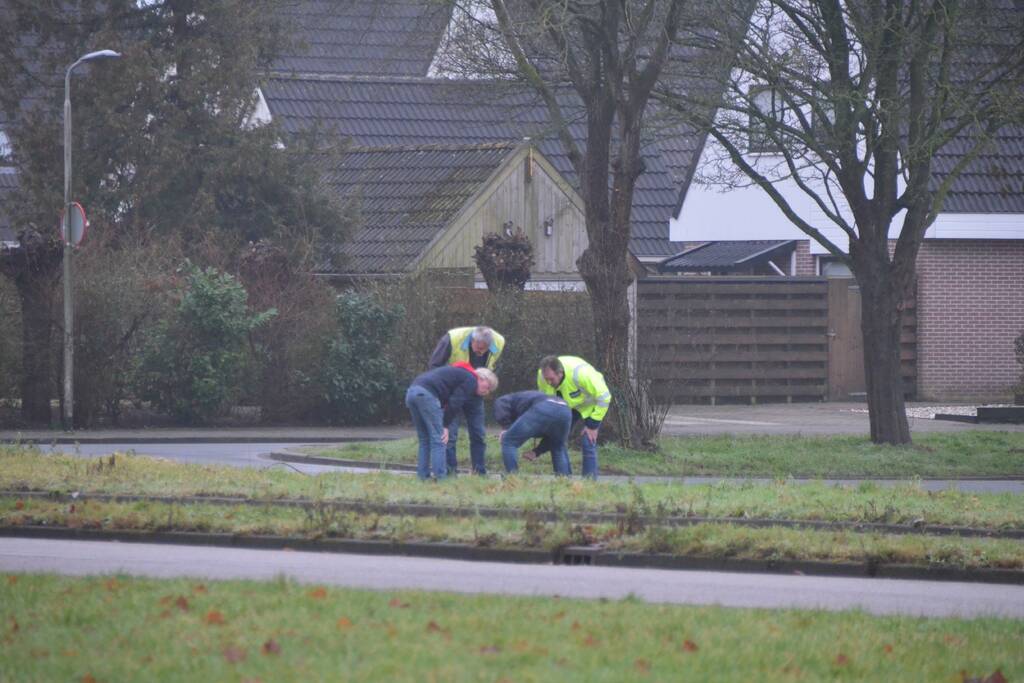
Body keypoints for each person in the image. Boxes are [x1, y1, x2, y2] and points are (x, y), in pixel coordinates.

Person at [428, 325, 506, 475]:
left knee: (478, 434)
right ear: (472, 340)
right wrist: (444, 388)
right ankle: (450, 473)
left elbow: (495, 366)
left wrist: (485, 383)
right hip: (453, 392)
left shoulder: (500, 342)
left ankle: (479, 472)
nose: (480, 352)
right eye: (477, 348)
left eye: (484, 350)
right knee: (450, 434)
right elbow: (434, 365)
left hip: (475, 392)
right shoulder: (452, 339)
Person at [405, 363, 498, 481]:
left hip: (412, 392)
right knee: (439, 439)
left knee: (424, 439)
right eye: (488, 386)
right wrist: (445, 425)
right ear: (481, 378)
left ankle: (423, 477)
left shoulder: (460, 374)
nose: (487, 391)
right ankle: (441, 479)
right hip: (427, 395)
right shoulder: (471, 379)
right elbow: (455, 403)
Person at [536, 355, 611, 479]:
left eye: (551, 379)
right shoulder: (542, 376)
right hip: (566, 405)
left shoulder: (582, 374)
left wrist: (592, 425)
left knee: (588, 440)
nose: (548, 382)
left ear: (560, 373)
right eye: (546, 379)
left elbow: (604, 397)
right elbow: (544, 399)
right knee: (557, 439)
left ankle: (589, 484)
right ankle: (564, 481)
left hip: (590, 404)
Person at [494, 391, 572, 475]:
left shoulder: (509, 399)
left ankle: (512, 477)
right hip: (565, 409)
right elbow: (551, 440)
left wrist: (506, 428)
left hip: (544, 406)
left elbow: (500, 402)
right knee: (558, 447)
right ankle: (564, 481)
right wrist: (536, 452)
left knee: (508, 441)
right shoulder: (530, 397)